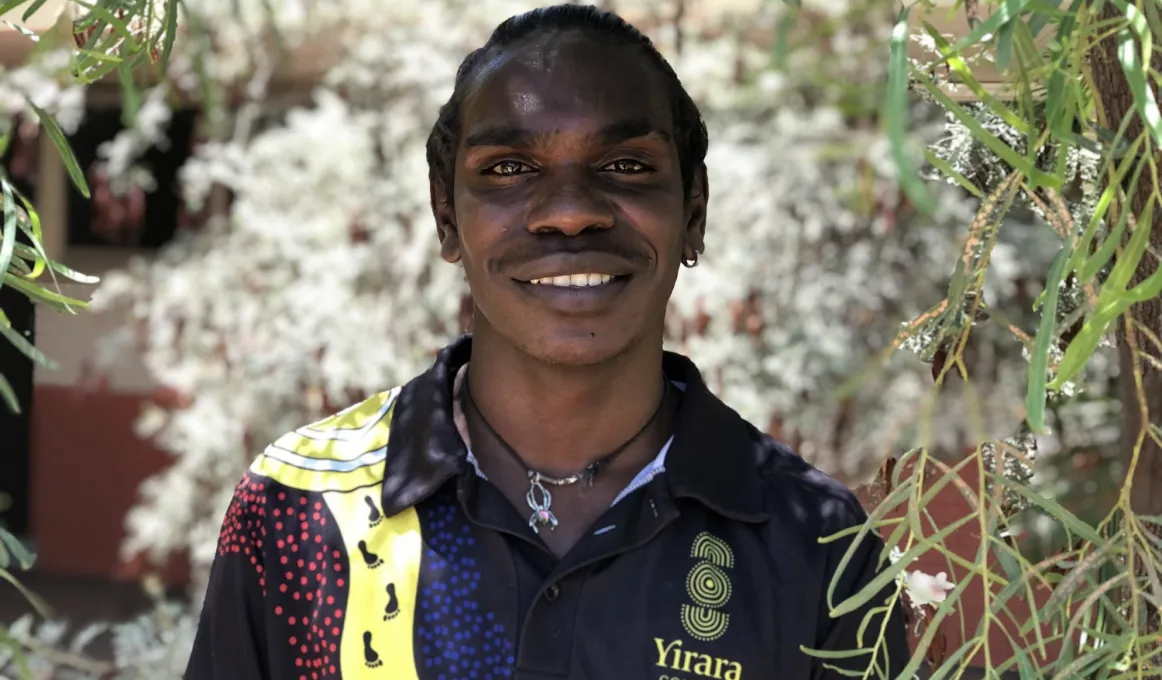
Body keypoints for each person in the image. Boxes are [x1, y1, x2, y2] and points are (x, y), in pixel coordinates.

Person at [184, 4, 910, 679]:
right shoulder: (298, 509)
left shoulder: (813, 545)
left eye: (625, 165)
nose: (568, 214)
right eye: (508, 169)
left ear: (693, 212)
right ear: (446, 217)